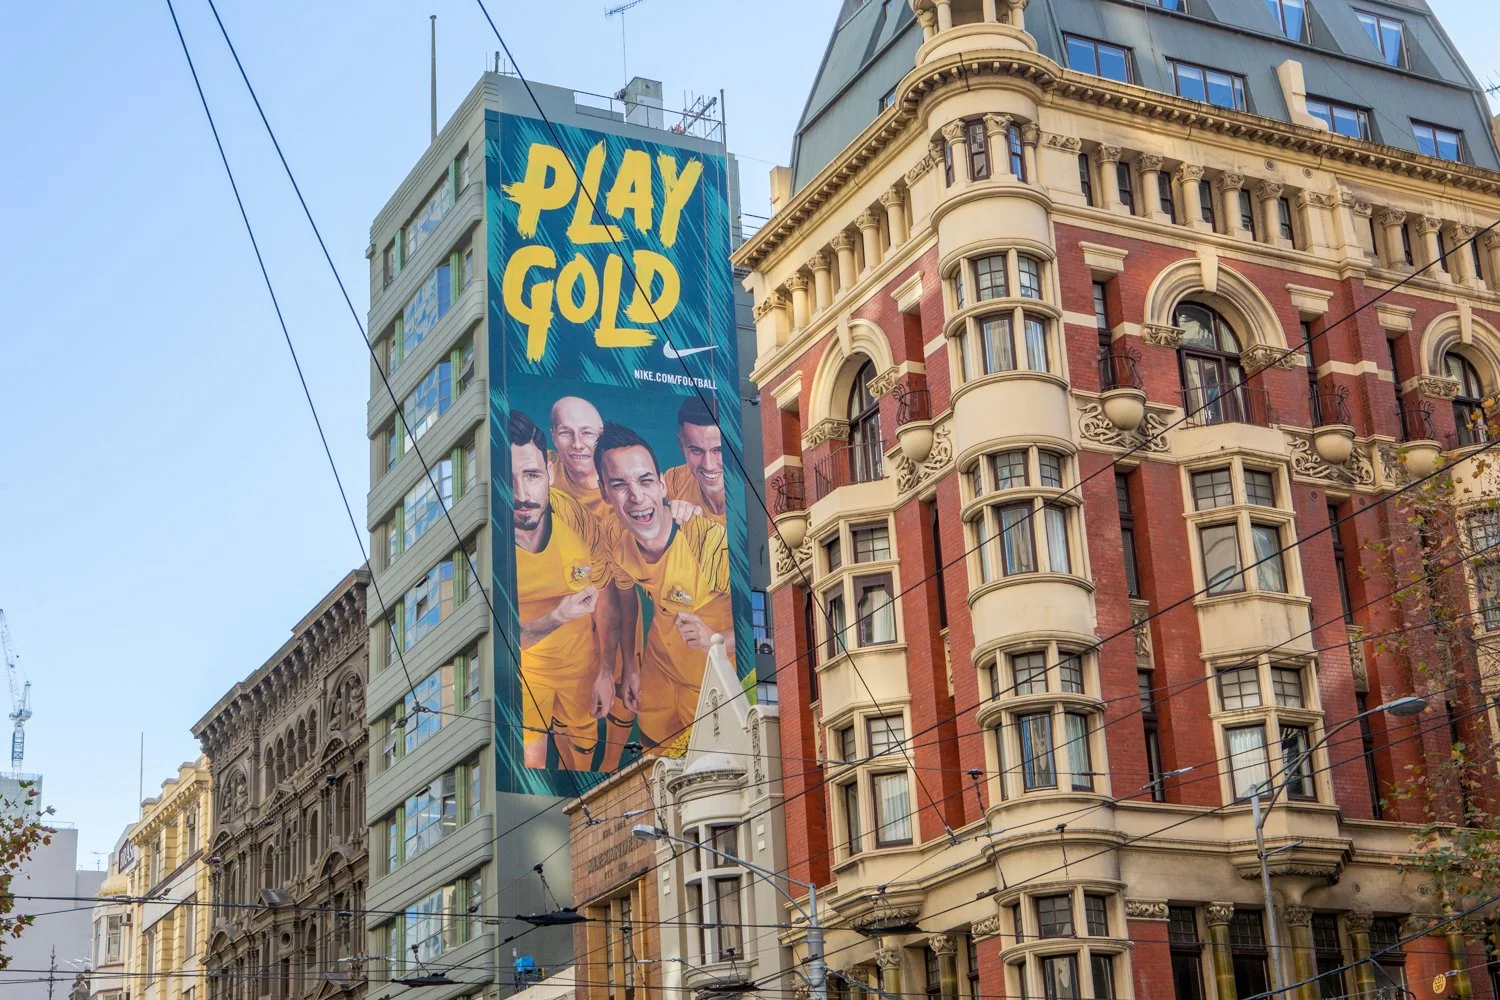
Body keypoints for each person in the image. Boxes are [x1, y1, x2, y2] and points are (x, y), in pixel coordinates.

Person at [594, 422, 732, 753]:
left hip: (712, 680)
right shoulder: (614, 533)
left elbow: (765, 625)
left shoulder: (707, 541)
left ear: (662, 485)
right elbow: (626, 598)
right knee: (657, 772)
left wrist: (714, 638)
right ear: (604, 492)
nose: (636, 497)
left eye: (644, 481)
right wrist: (629, 664)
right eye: (619, 485)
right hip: (659, 670)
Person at [510, 409, 618, 770]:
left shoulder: (577, 520)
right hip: (524, 675)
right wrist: (558, 616)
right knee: (532, 771)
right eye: (509, 479)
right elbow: (504, 638)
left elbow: (604, 596)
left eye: (532, 475)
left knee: (584, 769)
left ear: (550, 473)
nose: (522, 493)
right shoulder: (490, 542)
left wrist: (605, 670)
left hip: (580, 672)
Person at [549, 396, 612, 525]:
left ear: (602, 437)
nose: (577, 444)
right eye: (565, 432)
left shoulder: (625, 487)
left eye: (587, 433)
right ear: (554, 437)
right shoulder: (538, 466)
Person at [664, 396, 727, 524]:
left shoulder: (748, 491)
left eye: (718, 450)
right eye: (697, 450)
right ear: (682, 445)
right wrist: (665, 516)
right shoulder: (674, 480)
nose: (708, 465)